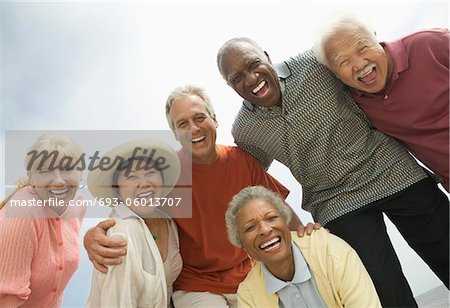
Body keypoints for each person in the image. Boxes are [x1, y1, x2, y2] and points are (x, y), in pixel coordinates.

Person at [217, 37, 449, 307]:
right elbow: (248, 173)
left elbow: (369, 71)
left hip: (390, 169)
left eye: (254, 64)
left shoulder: (314, 64)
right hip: (336, 203)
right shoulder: (245, 129)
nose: (250, 78)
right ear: (229, 85)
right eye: (237, 78)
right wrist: (290, 223)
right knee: (383, 291)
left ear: (266, 56)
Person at [83, 85, 319, 308]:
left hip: (249, 275)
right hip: (195, 286)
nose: (193, 129)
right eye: (182, 124)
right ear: (175, 134)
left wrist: (307, 239)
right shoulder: (167, 175)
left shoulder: (242, 161)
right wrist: (92, 236)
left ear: (215, 119)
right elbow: (132, 209)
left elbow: (279, 211)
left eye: (199, 118)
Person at [312, 13, 449, 192]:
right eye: (343, 61)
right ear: (333, 72)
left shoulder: (430, 43)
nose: (360, 64)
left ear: (375, 37)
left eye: (362, 48)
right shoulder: (355, 103)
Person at [226, 186, 382, 307]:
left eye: (272, 218)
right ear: (243, 246)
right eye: (250, 228)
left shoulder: (330, 250)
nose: (265, 230)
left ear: (286, 222)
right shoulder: (248, 294)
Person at [86, 139, 182, 307]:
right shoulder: (121, 235)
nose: (144, 183)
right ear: (118, 190)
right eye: (131, 177)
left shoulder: (168, 221)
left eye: (150, 172)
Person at [0, 134, 86, 307]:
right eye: (46, 171)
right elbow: (8, 297)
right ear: (32, 178)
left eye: (67, 168)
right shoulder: (24, 211)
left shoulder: (78, 205)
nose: (59, 181)